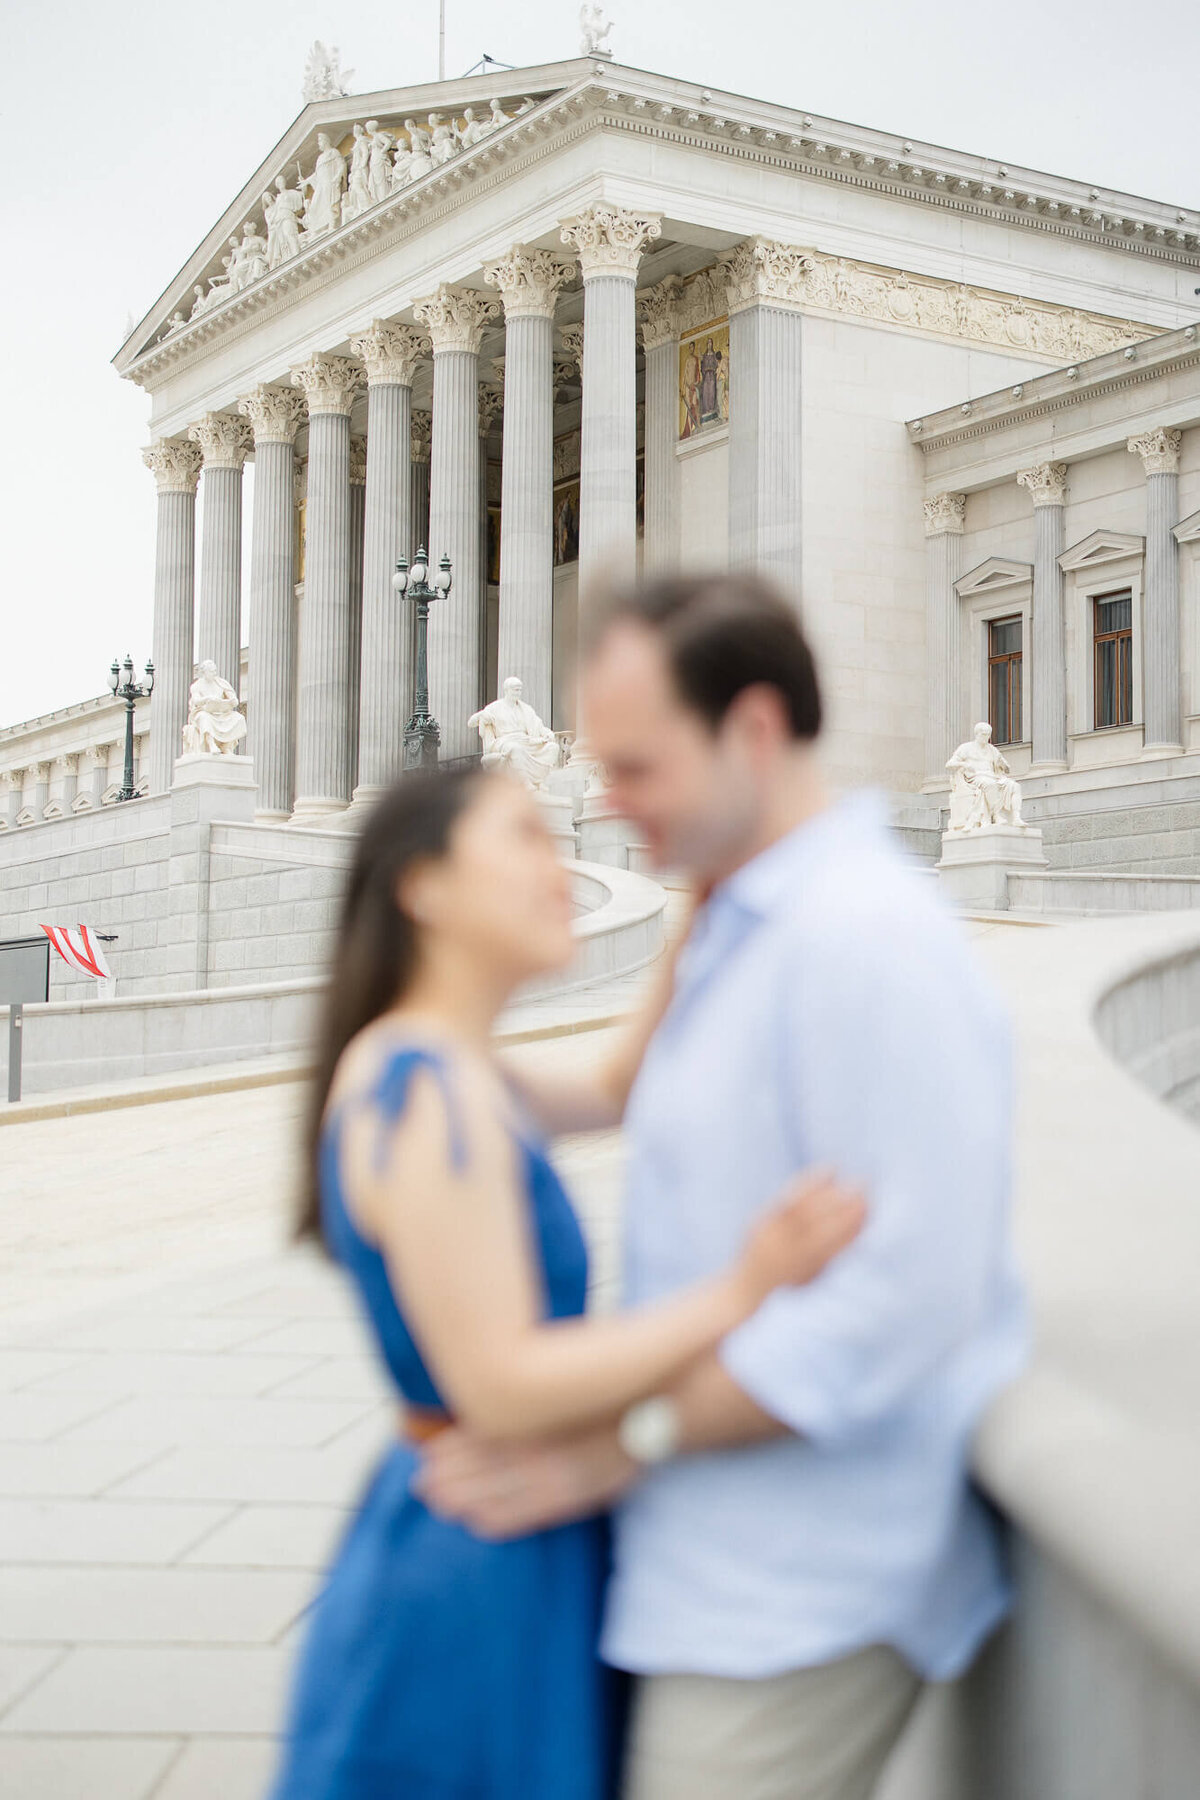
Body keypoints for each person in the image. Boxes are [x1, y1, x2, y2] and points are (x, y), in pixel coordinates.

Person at [417, 573, 1029, 1800]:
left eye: (638, 766)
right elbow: (622, 1090)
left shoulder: (868, 943)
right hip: (699, 1562)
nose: (604, 798)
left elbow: (904, 1306)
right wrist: (423, 1052)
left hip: (800, 1592)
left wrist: (623, 1443)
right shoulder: (734, 917)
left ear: (750, 730)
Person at [269, 767, 866, 1800]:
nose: (559, 867)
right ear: (426, 887)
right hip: (480, 1562)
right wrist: (746, 1288)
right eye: (525, 839)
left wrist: (698, 918)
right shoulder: (423, 1087)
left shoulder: (456, 1068)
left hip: (497, 1534)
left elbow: (612, 1086)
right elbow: (500, 1380)